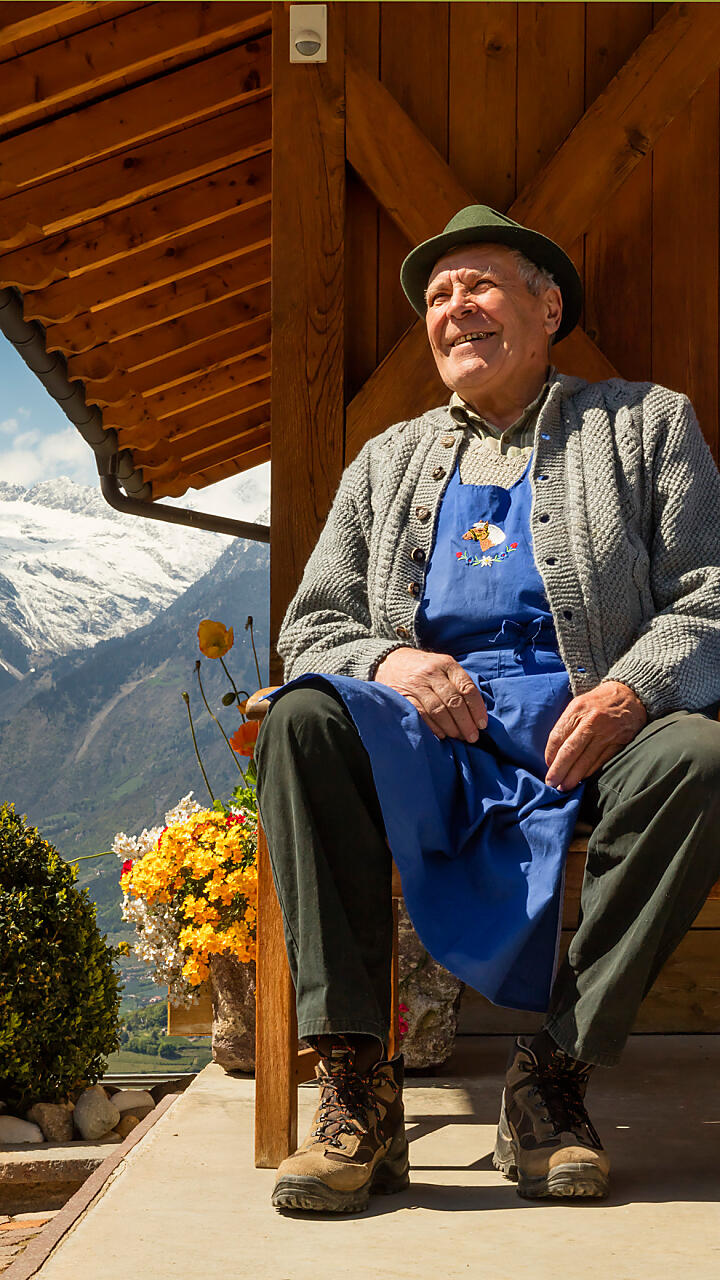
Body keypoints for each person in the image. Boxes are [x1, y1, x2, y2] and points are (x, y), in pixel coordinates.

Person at [255, 205, 720, 1214]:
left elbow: (710, 596)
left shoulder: (645, 426)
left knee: (702, 756)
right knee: (302, 720)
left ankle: (552, 1077)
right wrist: (388, 657)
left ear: (548, 307)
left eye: (478, 285)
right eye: (436, 297)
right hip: (428, 739)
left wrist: (632, 688)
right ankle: (356, 1086)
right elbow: (313, 620)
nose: (453, 309)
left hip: (587, 734)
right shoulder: (388, 461)